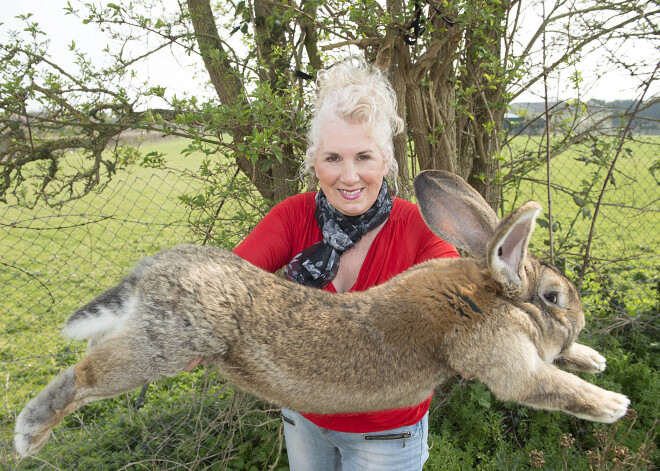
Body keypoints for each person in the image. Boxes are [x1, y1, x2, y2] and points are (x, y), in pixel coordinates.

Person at [230, 58, 460, 470]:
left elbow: (457, 305)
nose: (349, 176)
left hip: (386, 433)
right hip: (304, 416)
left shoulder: (419, 229)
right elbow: (222, 284)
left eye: (364, 157)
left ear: (386, 161)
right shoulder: (292, 216)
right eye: (333, 158)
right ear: (314, 161)